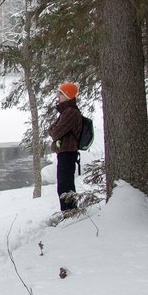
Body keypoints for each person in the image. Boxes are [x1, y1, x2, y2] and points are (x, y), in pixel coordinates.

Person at [47, 81, 84, 212]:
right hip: (65, 152)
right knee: (64, 184)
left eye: (61, 93)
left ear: (67, 96)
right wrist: (53, 130)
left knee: (65, 185)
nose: (58, 96)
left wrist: (53, 130)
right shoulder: (66, 111)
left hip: (68, 152)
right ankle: (68, 212)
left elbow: (55, 131)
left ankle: (70, 213)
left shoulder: (70, 112)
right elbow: (52, 129)